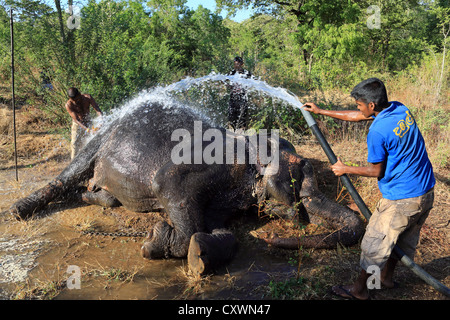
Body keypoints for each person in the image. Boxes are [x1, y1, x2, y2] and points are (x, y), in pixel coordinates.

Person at [303, 78, 435, 300]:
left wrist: (346, 168)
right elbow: (360, 116)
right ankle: (385, 279)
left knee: (375, 245)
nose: (358, 108)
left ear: (371, 105)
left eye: (359, 104)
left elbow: (376, 172)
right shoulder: (400, 109)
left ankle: (361, 290)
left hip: (402, 199)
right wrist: (321, 111)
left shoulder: (377, 132)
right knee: (400, 240)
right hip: (425, 190)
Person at [65, 87, 103, 159]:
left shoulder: (88, 98)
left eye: (77, 99)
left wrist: (101, 120)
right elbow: (77, 120)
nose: (76, 102)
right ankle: (73, 164)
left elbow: (97, 109)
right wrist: (88, 130)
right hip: (77, 125)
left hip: (88, 121)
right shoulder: (69, 105)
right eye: (74, 100)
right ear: (69, 98)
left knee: (89, 141)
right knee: (74, 144)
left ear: (80, 94)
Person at [227, 56, 253, 131]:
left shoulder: (247, 74)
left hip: (242, 98)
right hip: (233, 98)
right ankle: (233, 132)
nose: (236, 66)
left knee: (242, 117)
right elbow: (225, 81)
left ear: (241, 64)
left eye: (237, 64)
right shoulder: (231, 73)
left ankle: (241, 134)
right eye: (235, 64)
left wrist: (247, 87)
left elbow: (254, 83)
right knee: (231, 117)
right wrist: (228, 85)